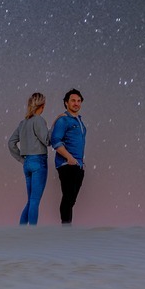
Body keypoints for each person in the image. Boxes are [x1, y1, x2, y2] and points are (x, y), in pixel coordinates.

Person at [7, 92, 52, 225]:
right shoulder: (39, 120)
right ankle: (31, 235)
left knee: (30, 200)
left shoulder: (23, 123)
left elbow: (11, 143)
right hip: (39, 162)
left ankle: (22, 233)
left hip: (27, 163)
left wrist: (22, 159)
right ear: (42, 105)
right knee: (34, 201)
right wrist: (54, 127)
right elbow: (47, 140)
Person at [49, 89, 87, 223]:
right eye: (73, 100)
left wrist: (80, 163)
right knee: (68, 198)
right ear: (66, 103)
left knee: (71, 200)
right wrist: (70, 158)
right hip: (67, 165)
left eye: (78, 101)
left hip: (78, 165)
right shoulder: (64, 120)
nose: (76, 103)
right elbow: (55, 141)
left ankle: (67, 229)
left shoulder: (79, 121)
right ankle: (66, 231)